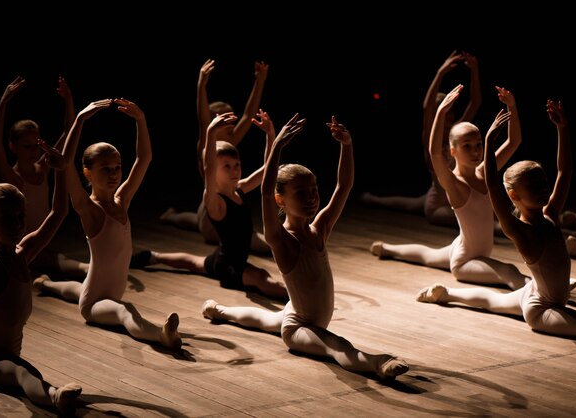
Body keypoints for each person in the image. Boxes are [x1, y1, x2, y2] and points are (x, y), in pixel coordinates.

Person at [201, 114, 409, 380]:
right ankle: (377, 363)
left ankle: (218, 310)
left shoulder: (319, 228)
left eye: (313, 191)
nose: (311, 199)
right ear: (280, 200)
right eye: (301, 193)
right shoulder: (280, 239)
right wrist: (276, 146)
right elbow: (264, 192)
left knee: (265, 319)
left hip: (295, 312)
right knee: (338, 345)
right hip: (300, 328)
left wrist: (347, 146)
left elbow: (344, 186)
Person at [416, 100, 576, 348]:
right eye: (535, 187)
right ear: (514, 196)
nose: (544, 190)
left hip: (533, 293)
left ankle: (447, 294)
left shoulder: (551, 213)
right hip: (542, 309)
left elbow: (565, 171)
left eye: (543, 183)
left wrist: (562, 129)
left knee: (493, 300)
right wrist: (488, 143)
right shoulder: (519, 231)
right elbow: (493, 185)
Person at [32, 98, 182, 351]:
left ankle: (44, 284)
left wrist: (141, 120)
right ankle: (161, 336)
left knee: (79, 286)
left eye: (117, 168)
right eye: (105, 169)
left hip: (101, 289)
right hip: (95, 305)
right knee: (125, 310)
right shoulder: (89, 210)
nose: (113, 174)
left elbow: (143, 159)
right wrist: (79, 120)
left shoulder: (122, 200)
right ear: (87, 173)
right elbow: (66, 164)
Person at [370, 85, 534, 290]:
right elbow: (435, 153)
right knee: (508, 270)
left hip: (461, 244)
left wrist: (512, 106)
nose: (475, 151)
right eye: (467, 146)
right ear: (453, 151)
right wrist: (440, 112)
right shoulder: (454, 184)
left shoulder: (484, 172)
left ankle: (386, 248)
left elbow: (514, 141)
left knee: (428, 255)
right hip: (465, 261)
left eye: (478, 145)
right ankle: (538, 288)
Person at [130, 110, 287, 299]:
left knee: (193, 262)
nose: (234, 170)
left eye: (236, 165)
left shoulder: (240, 188)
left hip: (220, 256)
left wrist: (270, 135)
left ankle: (154, 256)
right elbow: (208, 168)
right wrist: (211, 133)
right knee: (261, 277)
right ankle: (299, 297)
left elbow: (267, 170)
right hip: (230, 266)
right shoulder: (215, 202)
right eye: (226, 166)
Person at [0, 143, 82, 415]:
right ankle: (55, 397)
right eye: (6, 218)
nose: (17, 225)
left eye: (21, 217)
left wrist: (61, 171)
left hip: (7, 353)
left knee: (22, 369)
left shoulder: (22, 253)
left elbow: (59, 213)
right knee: (22, 373)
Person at [160, 59, 271, 254]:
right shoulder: (206, 145)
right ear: (214, 122)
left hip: (216, 204)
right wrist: (201, 85)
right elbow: (203, 120)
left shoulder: (230, 142)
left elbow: (248, 115)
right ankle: (171, 217)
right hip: (213, 213)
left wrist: (260, 81)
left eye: (230, 117)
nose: (230, 122)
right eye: (223, 118)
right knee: (200, 223)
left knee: (193, 219)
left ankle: (170, 216)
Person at [361, 50, 481, 227]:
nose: (449, 116)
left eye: (451, 112)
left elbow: (476, 102)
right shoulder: (431, 138)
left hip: (450, 194)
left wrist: (474, 70)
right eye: (444, 112)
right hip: (438, 204)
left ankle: (372, 199)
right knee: (471, 220)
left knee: (409, 204)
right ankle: (373, 200)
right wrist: (440, 72)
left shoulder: (458, 132)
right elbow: (427, 107)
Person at [0, 76, 89, 279]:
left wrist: (68, 99)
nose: (34, 151)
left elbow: (70, 132)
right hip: (19, 243)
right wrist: (3, 101)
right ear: (13, 146)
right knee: (60, 264)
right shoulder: (13, 178)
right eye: (27, 146)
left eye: (36, 144)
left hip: (40, 240)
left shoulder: (43, 167)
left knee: (59, 262)